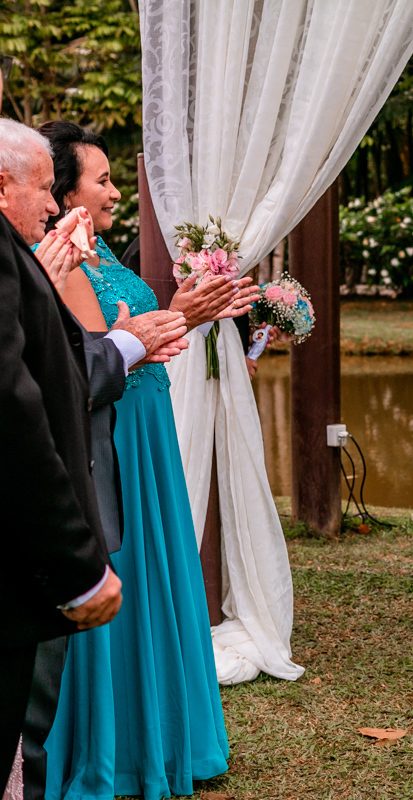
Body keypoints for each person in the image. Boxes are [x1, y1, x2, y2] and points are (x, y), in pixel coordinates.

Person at [30, 121, 257, 800]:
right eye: (101, 180)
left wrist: (187, 314)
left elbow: (137, 341)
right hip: (115, 438)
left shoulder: (101, 253)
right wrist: (180, 314)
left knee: (154, 577)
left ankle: (160, 737)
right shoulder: (60, 261)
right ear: (62, 191)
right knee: (121, 575)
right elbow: (90, 363)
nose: (114, 192)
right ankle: (112, 752)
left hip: (147, 430)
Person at [0, 118, 188, 796]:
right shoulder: (27, 261)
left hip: (118, 439)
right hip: (31, 529)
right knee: (24, 720)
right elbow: (36, 394)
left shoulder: (49, 256)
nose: (54, 205)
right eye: (46, 188)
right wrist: (77, 562)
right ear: (3, 187)